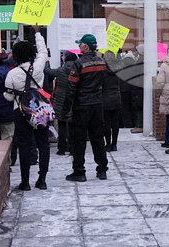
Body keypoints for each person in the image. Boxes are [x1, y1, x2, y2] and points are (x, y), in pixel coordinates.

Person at [4, 27, 50, 190]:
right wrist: (37, 33)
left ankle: (25, 182)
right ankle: (42, 179)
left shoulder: (12, 74)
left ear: (15, 56)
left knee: (24, 145)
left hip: (21, 111)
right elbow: (43, 52)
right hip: (40, 108)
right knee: (43, 144)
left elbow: (8, 97)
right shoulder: (38, 67)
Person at [62, 34, 109, 182]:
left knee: (79, 139)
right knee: (98, 137)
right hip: (97, 104)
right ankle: (102, 169)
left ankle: (79, 171)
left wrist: (65, 109)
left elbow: (71, 88)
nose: (78, 46)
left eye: (80, 44)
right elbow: (104, 83)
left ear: (86, 47)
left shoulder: (79, 63)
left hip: (82, 105)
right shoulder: (102, 62)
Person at [46, 50, 78, 156]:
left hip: (60, 100)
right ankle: (72, 147)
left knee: (61, 124)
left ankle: (61, 148)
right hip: (74, 99)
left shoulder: (60, 70)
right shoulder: (78, 70)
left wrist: (47, 61)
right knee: (73, 125)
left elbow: (47, 71)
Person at [154, 50, 169, 148]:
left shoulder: (164, 65)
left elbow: (160, 82)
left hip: (167, 92)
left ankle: (168, 140)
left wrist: (158, 92)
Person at [101, 50, 124, 152]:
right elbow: (122, 63)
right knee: (115, 122)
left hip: (105, 97)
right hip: (116, 97)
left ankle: (108, 144)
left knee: (107, 123)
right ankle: (114, 144)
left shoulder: (102, 69)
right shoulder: (117, 69)